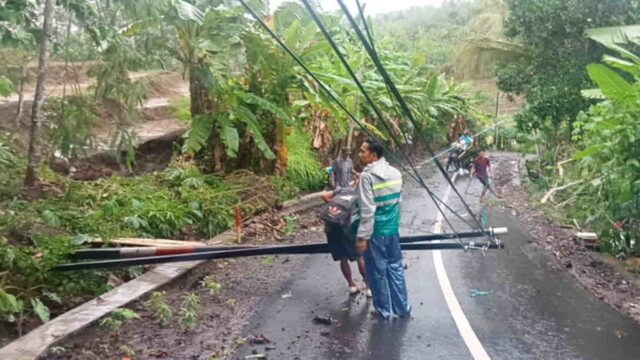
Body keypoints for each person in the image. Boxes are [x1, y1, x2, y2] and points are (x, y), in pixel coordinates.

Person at [355, 138, 411, 319]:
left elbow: (367, 209)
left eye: (363, 151)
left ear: (373, 155)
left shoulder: (367, 177)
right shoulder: (395, 172)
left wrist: (363, 237)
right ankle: (402, 308)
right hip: (392, 230)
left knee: (376, 271)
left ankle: (383, 311)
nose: (360, 154)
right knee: (395, 267)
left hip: (375, 232)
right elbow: (397, 202)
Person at [320, 185, 371, 297]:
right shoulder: (360, 195)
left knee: (343, 258)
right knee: (359, 257)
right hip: (348, 229)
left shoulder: (343, 190)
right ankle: (368, 287)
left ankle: (351, 285)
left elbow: (323, 195)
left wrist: (337, 212)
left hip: (331, 227)